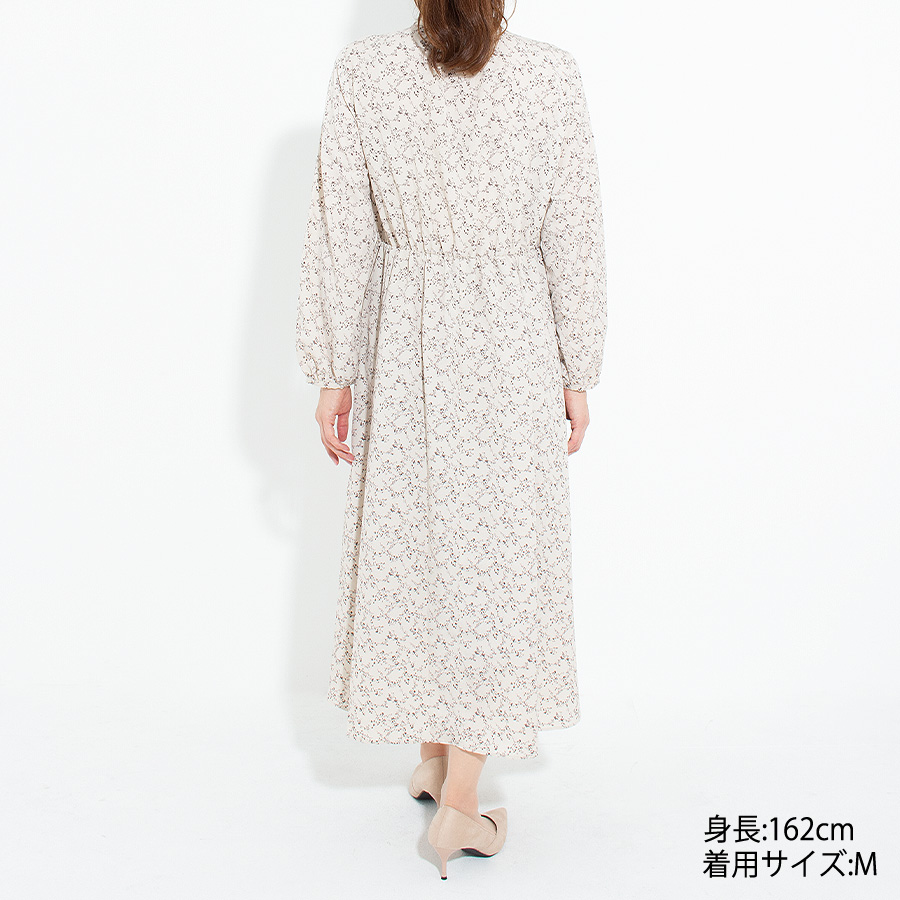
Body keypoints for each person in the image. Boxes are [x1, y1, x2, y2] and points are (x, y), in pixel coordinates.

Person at [295, 0, 607, 879]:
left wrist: (334, 370)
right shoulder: (548, 74)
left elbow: (342, 232)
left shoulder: (365, 72)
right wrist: (577, 366)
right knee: (493, 562)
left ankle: (439, 765)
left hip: (404, 338)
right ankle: (460, 802)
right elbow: (573, 235)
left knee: (419, 544)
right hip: (512, 338)